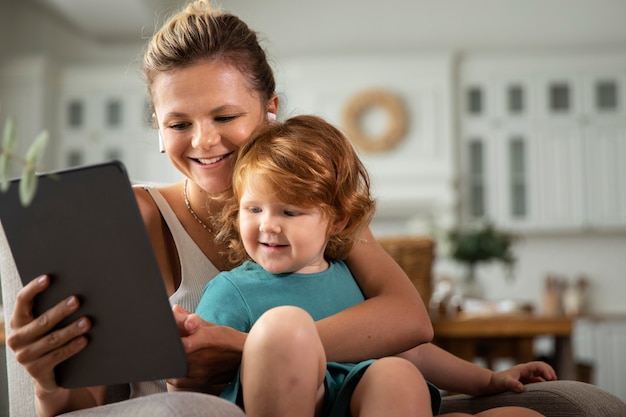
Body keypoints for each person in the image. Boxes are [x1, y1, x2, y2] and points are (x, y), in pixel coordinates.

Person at [6, 1, 555, 416]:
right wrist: (49, 382)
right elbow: (94, 402)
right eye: (178, 124)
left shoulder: (314, 207)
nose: (203, 142)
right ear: (158, 129)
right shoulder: (129, 216)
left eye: (225, 116)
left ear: (270, 110)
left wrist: (250, 346)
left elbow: (408, 320)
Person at [190, 114, 548, 417]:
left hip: (373, 403)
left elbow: (414, 351)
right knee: (286, 326)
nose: (267, 224)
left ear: (338, 221)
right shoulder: (232, 291)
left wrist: (488, 380)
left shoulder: (351, 277)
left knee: (407, 375)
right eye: (254, 209)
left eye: (289, 211)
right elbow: (200, 377)